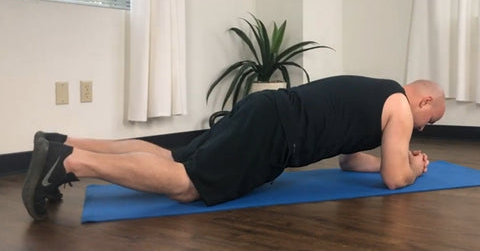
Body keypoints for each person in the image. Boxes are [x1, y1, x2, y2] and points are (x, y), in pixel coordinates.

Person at [22, 75, 446, 220]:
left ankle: (62, 143)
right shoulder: (401, 109)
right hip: (275, 131)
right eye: (432, 120)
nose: (423, 129)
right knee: (188, 184)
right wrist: (413, 166)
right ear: (423, 101)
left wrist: (390, 163)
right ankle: (69, 163)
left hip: (266, 110)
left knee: (174, 156)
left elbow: (351, 161)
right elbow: (395, 179)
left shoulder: (379, 97)